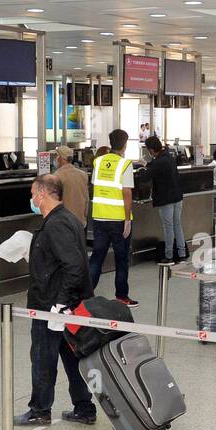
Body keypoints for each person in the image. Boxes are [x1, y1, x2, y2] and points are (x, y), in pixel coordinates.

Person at [15, 174, 97, 428]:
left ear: (44, 194)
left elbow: (73, 266)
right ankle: (84, 407)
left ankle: (40, 410)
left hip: (51, 305)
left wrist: (59, 303)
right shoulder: (66, 219)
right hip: (66, 304)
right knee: (72, 358)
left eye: (33, 193)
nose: (32, 199)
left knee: (42, 358)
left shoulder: (56, 225)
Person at [88, 129, 139, 307]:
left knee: (97, 257)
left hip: (99, 217)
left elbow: (95, 186)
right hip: (118, 220)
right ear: (125, 145)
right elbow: (126, 192)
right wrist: (127, 219)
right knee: (121, 258)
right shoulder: (125, 164)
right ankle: (122, 296)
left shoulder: (99, 161)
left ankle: (85, 294)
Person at [146, 135, 186, 264]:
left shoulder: (159, 161)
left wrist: (142, 167)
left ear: (151, 150)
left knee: (168, 227)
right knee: (177, 225)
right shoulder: (168, 156)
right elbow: (156, 166)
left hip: (166, 199)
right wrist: (148, 163)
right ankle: (182, 253)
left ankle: (168, 256)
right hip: (177, 197)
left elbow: (145, 177)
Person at [52, 145, 89, 225]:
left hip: (64, 222)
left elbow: (54, 202)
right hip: (80, 221)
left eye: (56, 156)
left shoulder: (57, 176)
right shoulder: (83, 174)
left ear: (60, 158)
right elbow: (86, 198)